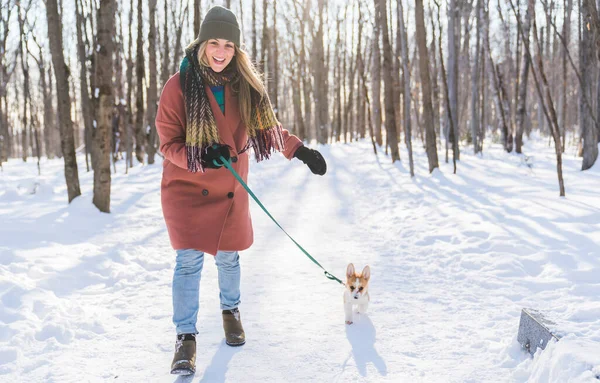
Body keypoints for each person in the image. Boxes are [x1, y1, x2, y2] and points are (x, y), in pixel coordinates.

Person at [155, 5, 327, 376]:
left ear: (237, 49)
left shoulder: (245, 85)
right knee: (188, 262)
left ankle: (230, 311)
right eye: (214, 42)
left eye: (229, 45)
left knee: (230, 257)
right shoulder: (179, 86)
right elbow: (168, 144)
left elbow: (268, 129)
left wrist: (299, 150)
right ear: (201, 44)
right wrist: (200, 156)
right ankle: (185, 338)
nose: (221, 51)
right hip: (187, 187)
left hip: (231, 187)